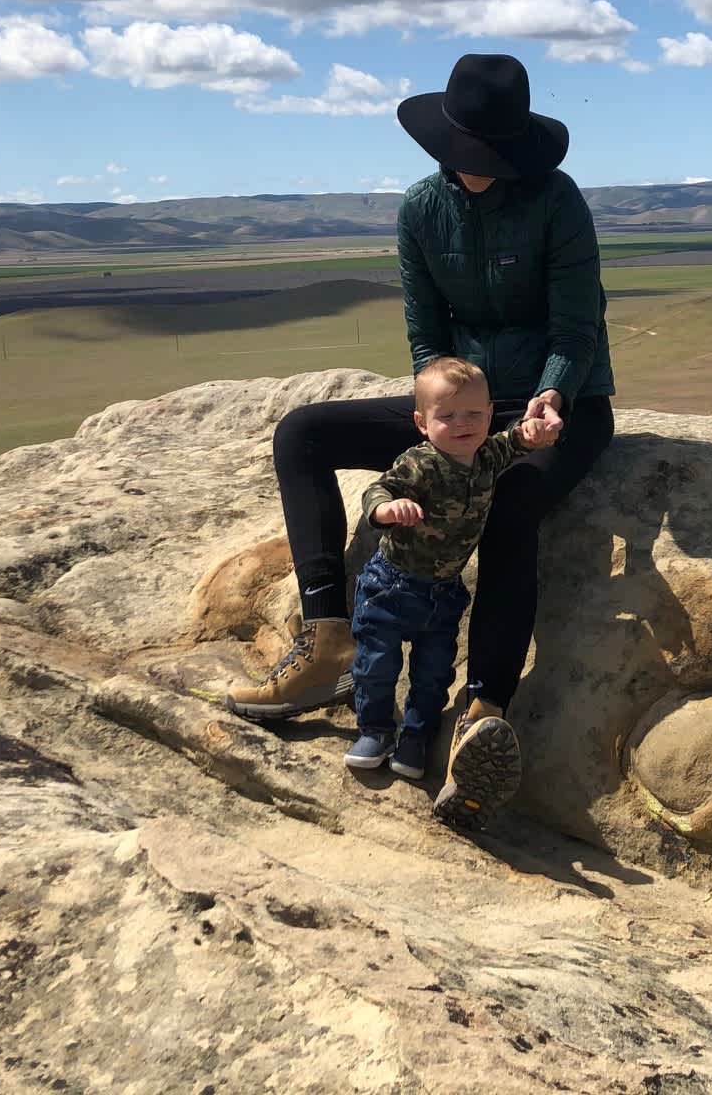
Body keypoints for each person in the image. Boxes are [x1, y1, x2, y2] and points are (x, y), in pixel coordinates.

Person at [225, 52, 617, 830]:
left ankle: (482, 709)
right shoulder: (420, 211)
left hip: (557, 402)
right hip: (460, 408)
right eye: (470, 156)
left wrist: (548, 396)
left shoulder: (557, 202)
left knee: (511, 503)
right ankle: (327, 636)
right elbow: (424, 334)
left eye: (494, 159)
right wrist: (442, 425)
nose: (479, 171)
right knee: (303, 431)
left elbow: (576, 324)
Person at [345, 357, 562, 825]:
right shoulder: (420, 463)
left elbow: (514, 442)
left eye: (475, 415)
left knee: (432, 674)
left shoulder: (486, 456)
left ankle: (415, 740)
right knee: (376, 664)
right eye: (448, 417)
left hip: (442, 594)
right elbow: (378, 489)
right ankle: (375, 730)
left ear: (488, 414)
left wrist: (533, 435)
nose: (463, 425)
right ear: (423, 423)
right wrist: (388, 509)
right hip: (392, 585)